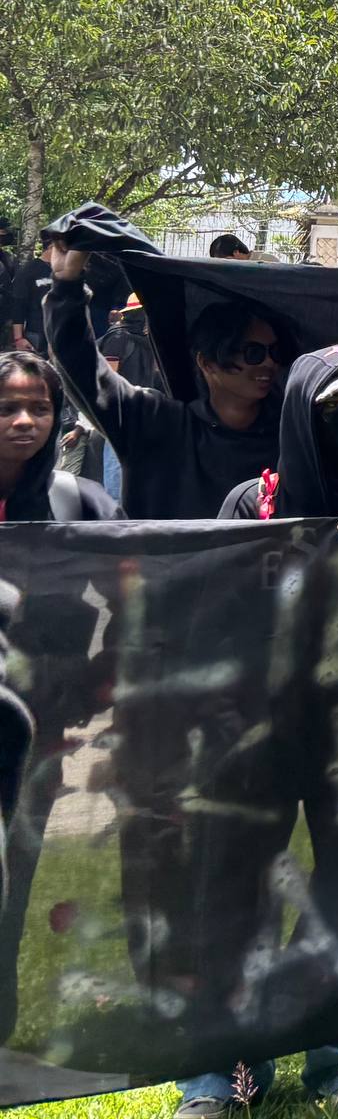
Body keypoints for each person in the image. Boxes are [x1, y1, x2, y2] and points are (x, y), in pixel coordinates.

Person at [189, 347, 338, 1118]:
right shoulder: (249, 504)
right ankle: (222, 1070)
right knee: (236, 896)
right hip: (255, 741)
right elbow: (211, 617)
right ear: (299, 410)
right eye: (336, 410)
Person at [0, 352, 118, 1041]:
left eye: (38, 408)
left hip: (34, 735)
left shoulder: (79, 503)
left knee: (16, 866)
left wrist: (99, 674)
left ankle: (3, 1015)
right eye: (7, 408)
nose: (23, 421)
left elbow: (141, 581)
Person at [42, 239, 283, 518]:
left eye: (276, 351)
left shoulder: (289, 434)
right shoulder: (155, 423)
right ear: (207, 362)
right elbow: (81, 367)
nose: (269, 362)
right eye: (253, 352)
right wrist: (66, 284)